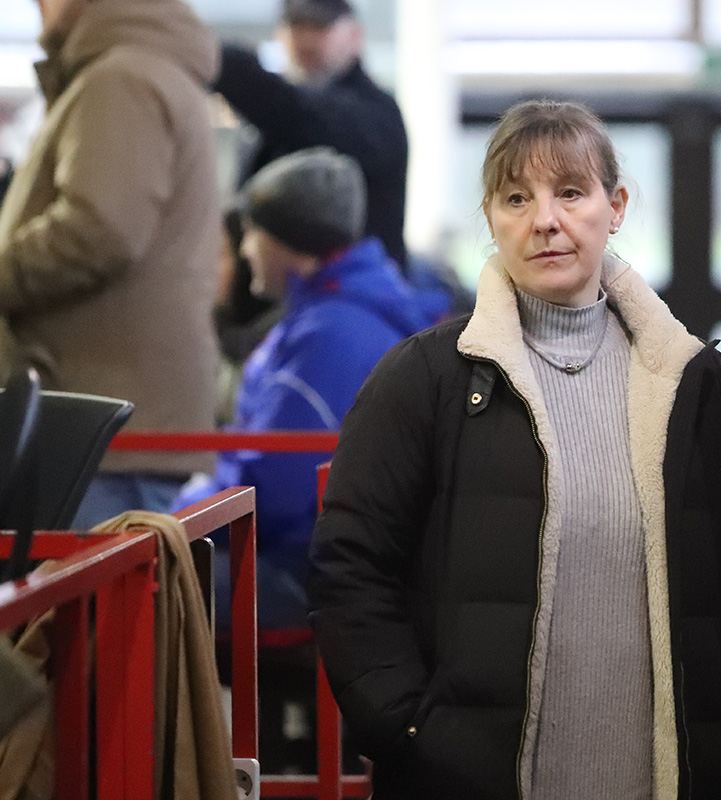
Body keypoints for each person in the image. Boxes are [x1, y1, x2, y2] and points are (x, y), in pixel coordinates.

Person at [308, 100, 721, 799]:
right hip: (468, 774)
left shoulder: (692, 382)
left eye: (570, 192)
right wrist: (407, 728)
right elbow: (351, 565)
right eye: (516, 198)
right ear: (491, 216)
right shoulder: (423, 379)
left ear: (614, 207)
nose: (545, 221)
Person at [174, 147, 435, 632]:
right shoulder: (334, 316)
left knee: (138, 591)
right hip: (318, 563)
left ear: (287, 241)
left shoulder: (329, 332)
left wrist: (172, 519)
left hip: (304, 574)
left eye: (252, 232)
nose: (246, 249)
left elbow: (275, 489)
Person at [0, 0, 221, 525]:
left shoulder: (120, 79)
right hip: (115, 413)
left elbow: (99, 230)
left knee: (79, 602)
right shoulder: (145, 69)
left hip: (96, 423)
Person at [214, 0, 408, 270]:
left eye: (319, 26)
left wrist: (218, 58)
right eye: (295, 25)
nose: (305, 39)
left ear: (355, 35)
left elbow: (300, 116)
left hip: (346, 298)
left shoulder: (374, 112)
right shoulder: (276, 121)